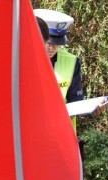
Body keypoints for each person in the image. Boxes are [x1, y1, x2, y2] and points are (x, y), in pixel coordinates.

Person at [33, 9, 85, 157]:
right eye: (49, 42)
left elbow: (76, 100)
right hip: (31, 137)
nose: (52, 48)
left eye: (57, 43)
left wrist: (91, 110)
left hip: (61, 141)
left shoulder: (72, 61)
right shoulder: (22, 58)